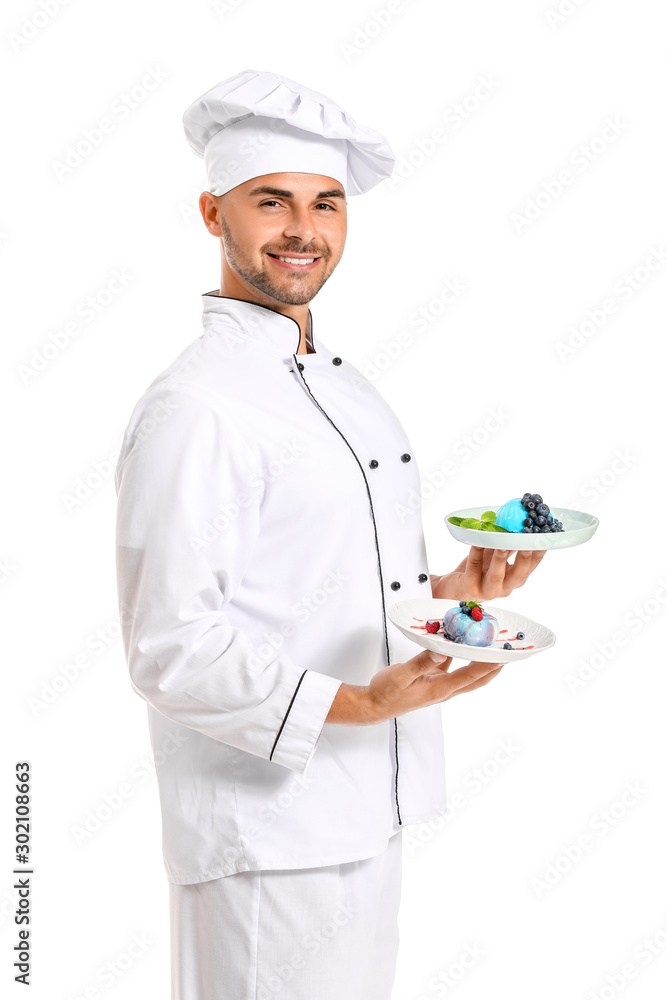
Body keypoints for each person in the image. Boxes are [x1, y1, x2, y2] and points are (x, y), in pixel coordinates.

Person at [114, 69, 545, 1000]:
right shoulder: (197, 406)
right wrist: (357, 704)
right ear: (210, 212)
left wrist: (460, 592)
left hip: (365, 810)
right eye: (270, 202)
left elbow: (323, 584)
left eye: (326, 204)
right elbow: (169, 648)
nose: (303, 230)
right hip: (266, 839)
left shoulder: (342, 387)